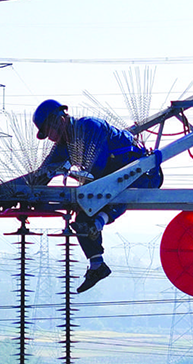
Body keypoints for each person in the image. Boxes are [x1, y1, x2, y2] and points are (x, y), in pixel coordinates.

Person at [32, 99, 163, 293]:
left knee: (95, 202)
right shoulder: (64, 144)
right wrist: (29, 188)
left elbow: (98, 167)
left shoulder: (89, 126)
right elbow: (46, 170)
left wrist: (80, 194)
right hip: (112, 180)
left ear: (60, 119)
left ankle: (100, 220)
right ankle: (97, 265)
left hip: (143, 175)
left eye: (48, 131)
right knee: (82, 219)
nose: (50, 138)